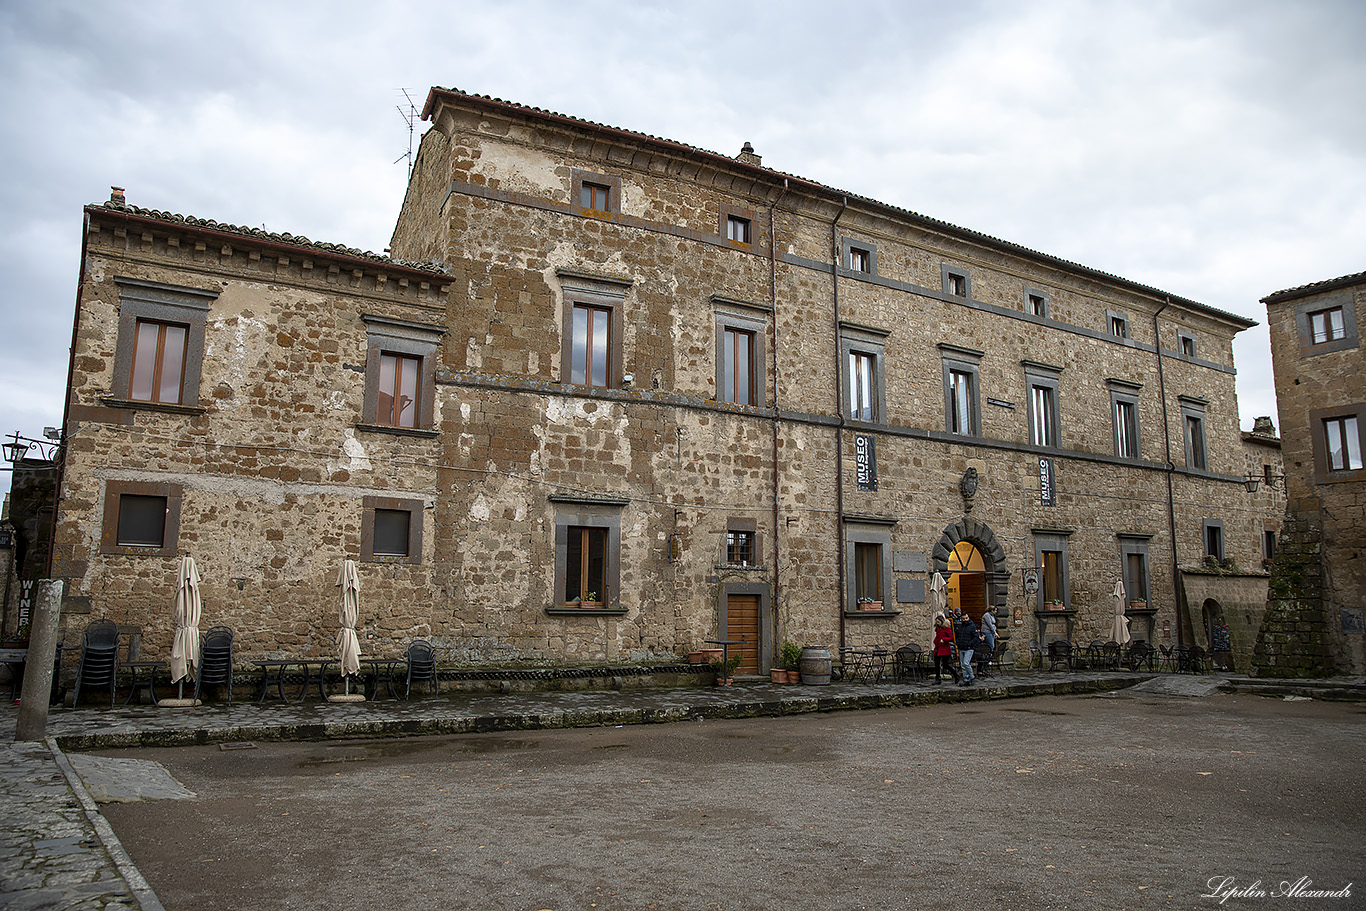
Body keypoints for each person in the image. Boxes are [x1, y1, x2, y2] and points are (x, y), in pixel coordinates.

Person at [931, 613, 960, 684]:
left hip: (944, 649)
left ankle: (956, 675)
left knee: (946, 665)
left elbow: (951, 638)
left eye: (938, 622)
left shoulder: (947, 628)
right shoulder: (938, 628)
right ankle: (938, 679)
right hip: (938, 648)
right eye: (936, 622)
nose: (937, 623)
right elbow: (938, 636)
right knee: (937, 664)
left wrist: (944, 639)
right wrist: (935, 641)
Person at [955, 612, 980, 686]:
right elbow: (957, 636)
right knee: (963, 664)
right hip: (961, 647)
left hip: (969, 648)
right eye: (963, 618)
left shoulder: (972, 626)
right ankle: (966, 679)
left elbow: (976, 637)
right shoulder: (960, 627)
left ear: (968, 618)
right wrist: (958, 643)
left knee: (966, 663)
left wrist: (969, 644)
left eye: (966, 618)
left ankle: (972, 677)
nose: (965, 620)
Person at [978, 608, 998, 677]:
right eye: (995, 610)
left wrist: (994, 632)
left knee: (992, 648)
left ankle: (986, 664)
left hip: (991, 633)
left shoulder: (992, 616)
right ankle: (984, 666)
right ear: (992, 610)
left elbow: (993, 624)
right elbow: (989, 624)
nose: (996, 612)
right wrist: (994, 633)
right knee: (990, 648)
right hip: (988, 632)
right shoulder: (986, 615)